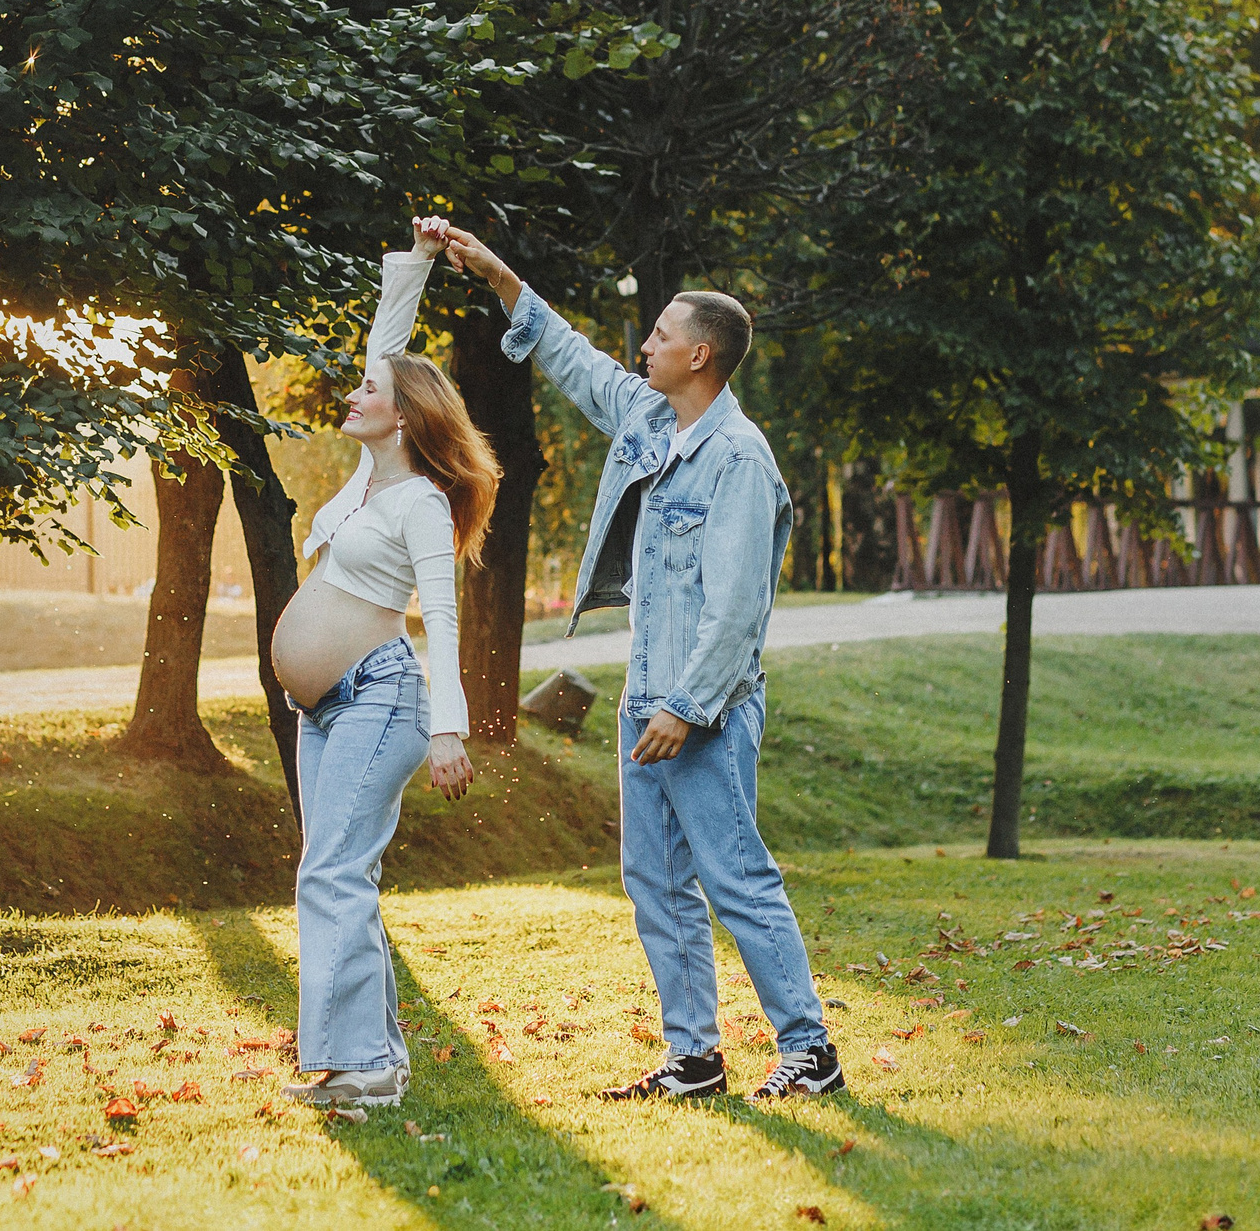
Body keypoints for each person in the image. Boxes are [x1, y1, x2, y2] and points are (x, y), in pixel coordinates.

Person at [437, 227, 842, 1101]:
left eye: (660, 334)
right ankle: (694, 1058)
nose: (644, 345)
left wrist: (688, 707)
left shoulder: (738, 459)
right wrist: (500, 272)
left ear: (701, 353)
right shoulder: (652, 420)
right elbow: (573, 358)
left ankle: (811, 1049)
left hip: (709, 709)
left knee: (735, 878)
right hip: (646, 701)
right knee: (655, 882)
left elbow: (738, 609)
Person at [271, 218, 499, 1110]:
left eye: (373, 391)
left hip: (382, 699)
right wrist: (415, 261)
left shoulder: (422, 506)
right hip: (324, 708)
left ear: (404, 412)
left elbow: (441, 619)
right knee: (332, 871)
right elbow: (385, 346)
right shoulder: (364, 483)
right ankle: (375, 1058)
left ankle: (360, 1068)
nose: (353, 393)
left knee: (331, 872)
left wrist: (451, 727)